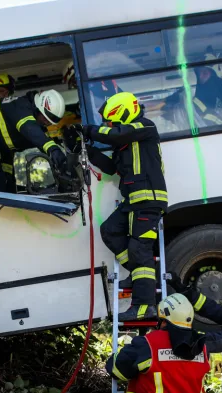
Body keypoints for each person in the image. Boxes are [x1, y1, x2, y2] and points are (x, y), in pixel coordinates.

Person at [84, 92, 168, 322]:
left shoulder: (144, 127)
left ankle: (144, 307)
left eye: (112, 122)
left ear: (123, 114)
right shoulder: (125, 142)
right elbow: (112, 168)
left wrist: (89, 130)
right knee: (109, 230)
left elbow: (116, 135)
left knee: (140, 250)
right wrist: (89, 151)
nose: (109, 127)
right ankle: (139, 275)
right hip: (133, 202)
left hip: (148, 200)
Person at [0, 89, 69, 193]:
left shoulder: (30, 115)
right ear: (39, 109)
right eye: (46, 119)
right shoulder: (22, 108)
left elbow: (9, 146)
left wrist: (8, 175)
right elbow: (32, 131)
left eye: (50, 122)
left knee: (0, 187)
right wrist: (54, 151)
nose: (47, 123)